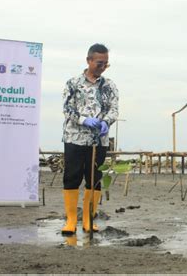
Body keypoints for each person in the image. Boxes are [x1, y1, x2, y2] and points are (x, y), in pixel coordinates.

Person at [61, 43, 119, 235]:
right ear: (89, 60)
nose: (102, 67)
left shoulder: (109, 85)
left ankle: (88, 219)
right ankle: (70, 220)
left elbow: (114, 109)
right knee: (72, 177)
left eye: (106, 64)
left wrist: (106, 122)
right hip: (74, 138)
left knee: (94, 179)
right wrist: (84, 120)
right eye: (99, 63)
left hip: (98, 141)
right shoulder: (73, 83)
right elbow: (67, 109)